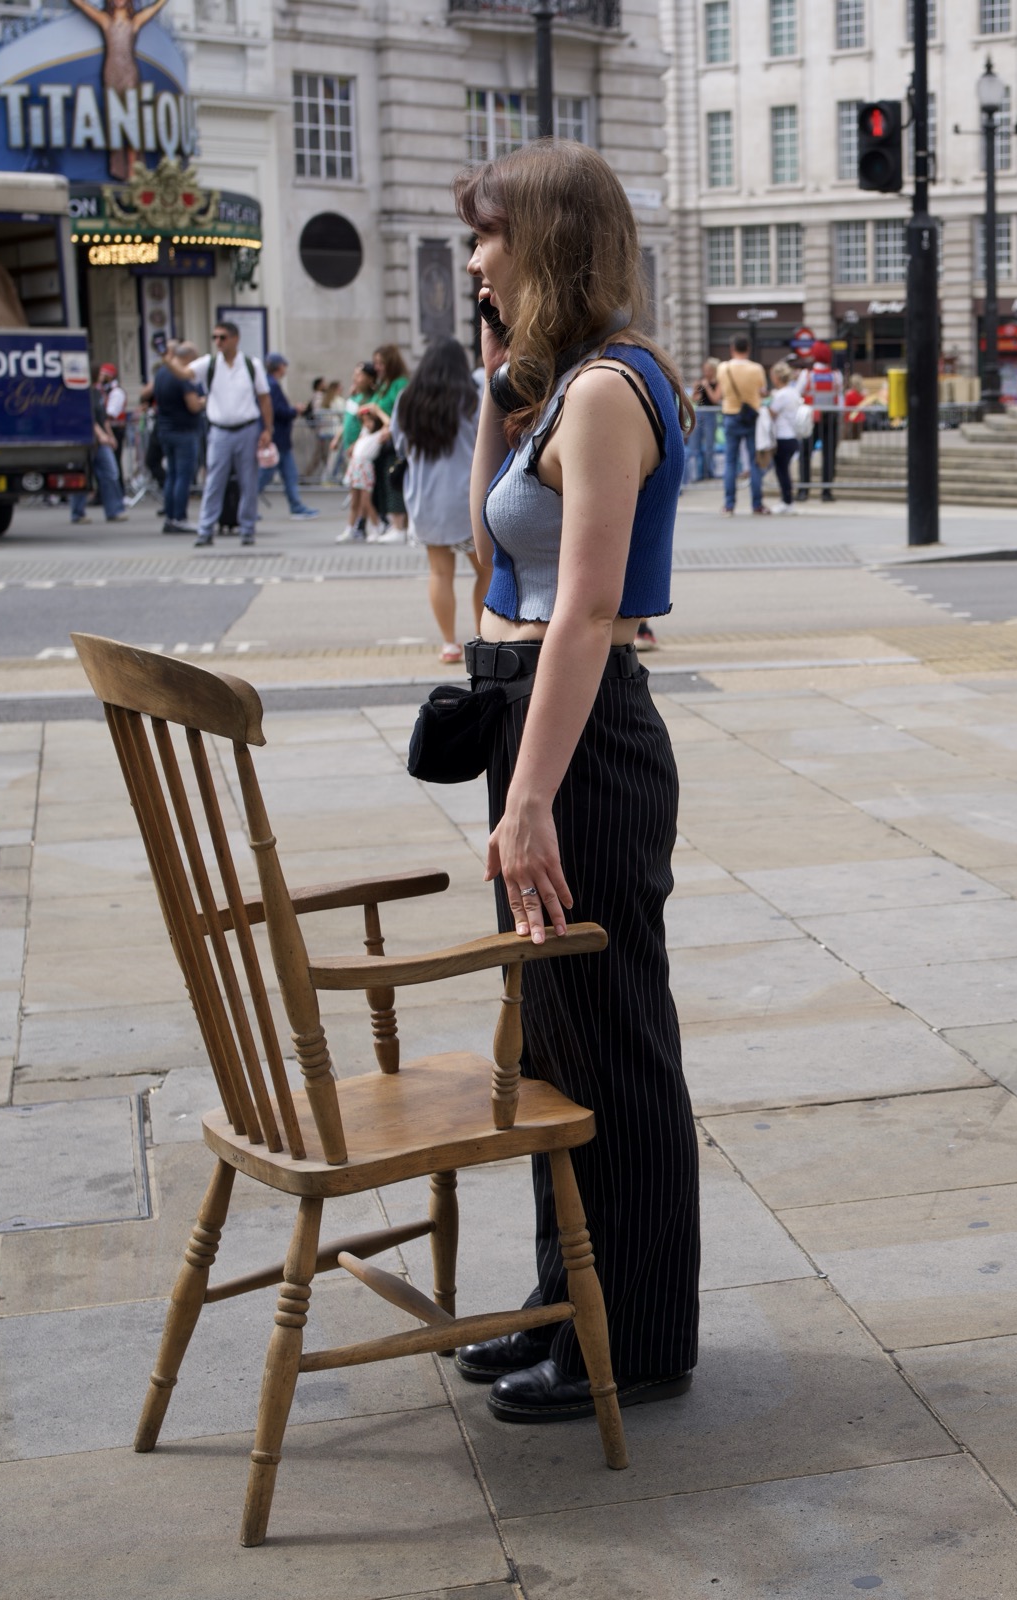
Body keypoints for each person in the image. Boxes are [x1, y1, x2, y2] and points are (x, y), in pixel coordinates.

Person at [453, 139, 697, 1423]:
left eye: (492, 236)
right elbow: (497, 557)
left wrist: (533, 794)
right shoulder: (559, 383)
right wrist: (505, 371)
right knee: (562, 1037)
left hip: (580, 742)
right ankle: (572, 1303)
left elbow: (587, 608)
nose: (478, 259)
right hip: (531, 726)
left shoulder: (612, 390)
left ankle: (639, 1333)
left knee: (612, 1037)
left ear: (547, 238)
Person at [394, 337, 483, 664]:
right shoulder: (472, 398)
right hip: (466, 496)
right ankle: (482, 637)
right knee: (486, 571)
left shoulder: (407, 399)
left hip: (425, 497)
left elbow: (400, 445)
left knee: (439, 573)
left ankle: (449, 644)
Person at [191, 321, 271, 547]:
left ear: (235, 339)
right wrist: (168, 358)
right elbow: (185, 372)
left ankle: (247, 528)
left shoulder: (250, 365)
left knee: (248, 481)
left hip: (247, 428)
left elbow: (264, 398)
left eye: (222, 337)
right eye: (214, 337)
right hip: (219, 430)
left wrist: (267, 429)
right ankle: (205, 529)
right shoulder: (209, 363)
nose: (218, 342)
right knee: (214, 481)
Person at [145, 342, 205, 533]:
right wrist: (204, 401)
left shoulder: (162, 373)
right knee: (183, 477)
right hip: (183, 431)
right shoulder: (182, 376)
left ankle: (170, 517)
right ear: (188, 357)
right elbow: (193, 406)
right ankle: (179, 517)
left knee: (172, 475)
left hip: (165, 429)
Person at [716, 333, 768, 514]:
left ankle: (729, 505)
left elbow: (720, 393)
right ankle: (757, 504)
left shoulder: (723, 368)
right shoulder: (757, 369)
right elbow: (763, 392)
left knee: (731, 462)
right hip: (751, 416)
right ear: (749, 349)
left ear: (732, 349)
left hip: (730, 414)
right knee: (754, 462)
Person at [262, 353, 317, 520]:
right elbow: (277, 411)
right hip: (277, 437)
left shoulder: (268, 383)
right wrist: (294, 410)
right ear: (280, 367)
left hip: (279, 437)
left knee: (288, 474)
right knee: (265, 474)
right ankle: (245, 505)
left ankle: (296, 506)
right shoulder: (272, 385)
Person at [70, 367, 126, 524]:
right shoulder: (85, 393)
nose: (104, 376)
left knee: (111, 473)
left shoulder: (97, 393)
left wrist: (110, 435)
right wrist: (101, 435)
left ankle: (114, 510)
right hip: (88, 440)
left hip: (100, 441)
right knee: (83, 475)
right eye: (101, 373)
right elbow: (90, 418)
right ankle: (78, 512)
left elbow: (103, 418)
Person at [370, 343, 412, 540]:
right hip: (381, 440)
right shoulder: (382, 384)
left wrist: (377, 412)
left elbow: (399, 413)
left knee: (394, 479)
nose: (377, 367)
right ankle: (391, 522)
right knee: (384, 481)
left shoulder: (399, 383)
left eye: (381, 362)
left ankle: (399, 525)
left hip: (394, 440)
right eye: (375, 363)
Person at [338, 361, 383, 542]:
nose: (355, 379)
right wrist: (338, 439)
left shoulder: (372, 400)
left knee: (364, 496)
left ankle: (367, 525)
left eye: (359, 375)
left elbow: (367, 426)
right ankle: (356, 526)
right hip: (355, 453)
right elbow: (346, 422)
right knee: (355, 496)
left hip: (363, 454)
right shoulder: (354, 397)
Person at [799, 344, 841, 501]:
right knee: (829, 456)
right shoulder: (836, 375)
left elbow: (799, 393)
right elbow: (839, 398)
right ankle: (826, 492)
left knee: (805, 455)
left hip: (810, 419)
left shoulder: (807, 375)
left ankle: (803, 491)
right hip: (831, 419)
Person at [765, 359, 807, 510]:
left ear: (777, 377)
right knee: (784, 469)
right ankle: (788, 500)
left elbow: (772, 413)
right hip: (793, 435)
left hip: (783, 436)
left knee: (782, 470)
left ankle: (787, 501)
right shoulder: (793, 392)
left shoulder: (781, 395)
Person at [688, 358, 722, 484]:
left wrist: (707, 387)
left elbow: (715, 399)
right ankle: (697, 473)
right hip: (699, 414)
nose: (706, 372)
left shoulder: (718, 383)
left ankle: (709, 472)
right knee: (694, 445)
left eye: (708, 370)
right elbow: (694, 399)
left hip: (710, 416)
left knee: (709, 445)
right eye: (705, 369)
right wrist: (696, 389)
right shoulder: (700, 382)